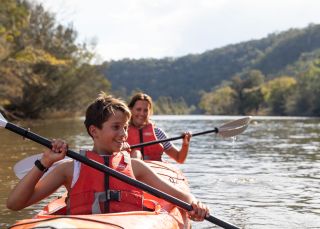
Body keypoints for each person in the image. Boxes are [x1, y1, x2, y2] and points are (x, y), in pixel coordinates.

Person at [7, 92, 209, 221]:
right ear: (94, 131)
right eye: (116, 127)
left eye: (125, 128)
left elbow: (181, 196)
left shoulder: (136, 167)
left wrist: (196, 205)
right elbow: (15, 204)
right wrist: (45, 162)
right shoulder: (69, 169)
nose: (123, 134)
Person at [127, 92, 191, 163]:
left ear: (149, 112)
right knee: (136, 154)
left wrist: (185, 144)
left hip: (154, 169)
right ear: (131, 110)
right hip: (131, 169)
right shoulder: (122, 133)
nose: (142, 113)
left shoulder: (157, 133)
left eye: (145, 110)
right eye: (138, 109)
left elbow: (179, 158)